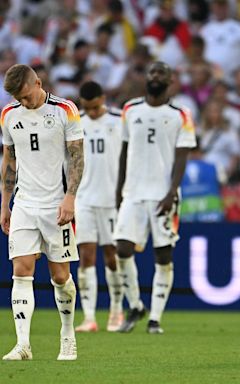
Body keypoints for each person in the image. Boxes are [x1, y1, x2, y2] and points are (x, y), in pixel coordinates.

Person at [0, 64, 84, 360]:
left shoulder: (65, 110)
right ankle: (23, 344)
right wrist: (5, 202)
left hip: (56, 205)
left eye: (27, 96)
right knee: (20, 270)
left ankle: (67, 334)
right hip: (24, 203)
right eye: (18, 99)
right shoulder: (9, 114)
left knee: (60, 276)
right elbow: (9, 161)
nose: (24, 103)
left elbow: (77, 157)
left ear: (38, 82)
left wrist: (70, 198)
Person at [115, 61, 196, 334]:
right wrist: (119, 190)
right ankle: (136, 305)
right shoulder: (130, 109)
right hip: (133, 192)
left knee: (163, 255)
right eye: (152, 72)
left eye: (162, 72)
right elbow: (125, 151)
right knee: (122, 249)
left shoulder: (180, 114)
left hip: (163, 194)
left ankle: (155, 319)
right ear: (146, 78)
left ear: (171, 79)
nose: (156, 76)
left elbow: (183, 156)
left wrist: (172, 192)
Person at [74, 81, 124, 333]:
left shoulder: (118, 120)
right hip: (83, 198)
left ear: (103, 99)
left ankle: (117, 310)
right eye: (87, 108)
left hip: (112, 199)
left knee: (112, 256)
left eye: (95, 107)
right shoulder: (76, 123)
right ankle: (89, 317)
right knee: (87, 256)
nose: (92, 112)